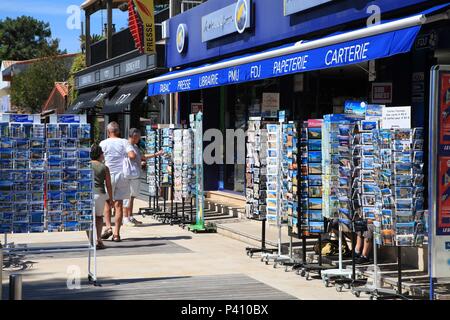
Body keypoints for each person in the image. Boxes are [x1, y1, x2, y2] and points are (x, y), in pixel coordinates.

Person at [99, 121, 136, 242]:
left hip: (108, 174)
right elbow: (132, 155)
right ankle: (116, 234)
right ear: (118, 131)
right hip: (122, 175)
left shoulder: (103, 143)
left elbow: (100, 158)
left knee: (107, 202)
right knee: (119, 204)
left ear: (108, 131)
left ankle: (108, 226)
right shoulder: (124, 142)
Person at [123, 128, 163, 226]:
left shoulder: (135, 146)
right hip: (129, 174)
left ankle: (130, 216)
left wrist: (155, 154)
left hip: (135, 174)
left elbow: (142, 156)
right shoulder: (127, 145)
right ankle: (125, 218)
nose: (139, 139)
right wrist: (136, 159)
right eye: (138, 137)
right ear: (134, 136)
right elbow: (132, 156)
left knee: (132, 197)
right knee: (127, 197)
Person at [90, 144, 113, 249]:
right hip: (99, 194)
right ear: (100, 154)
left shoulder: (85, 165)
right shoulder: (104, 167)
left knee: (88, 218)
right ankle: (99, 239)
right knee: (99, 217)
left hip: (88, 194)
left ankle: (90, 241)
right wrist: (111, 199)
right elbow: (108, 184)